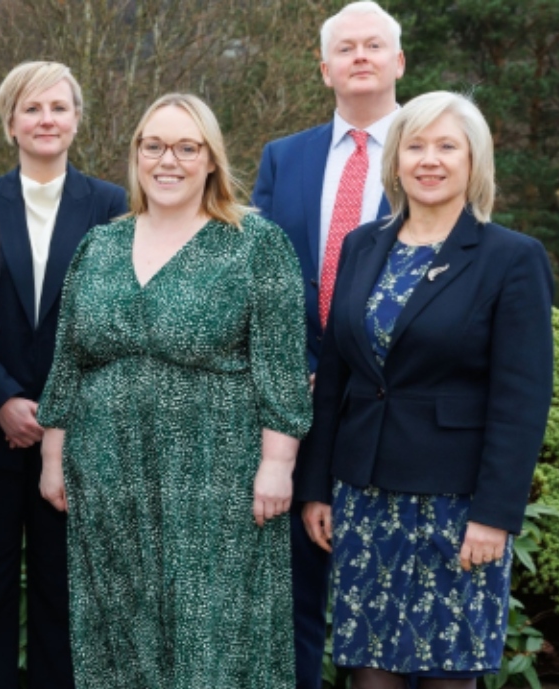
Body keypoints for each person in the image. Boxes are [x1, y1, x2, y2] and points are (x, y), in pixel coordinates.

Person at [36, 93, 310, 688]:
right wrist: (53, 456)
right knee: (119, 630)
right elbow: (70, 358)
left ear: (211, 159)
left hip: (216, 479)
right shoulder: (99, 245)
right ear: (135, 155)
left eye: (188, 147)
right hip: (107, 477)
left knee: (210, 634)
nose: (169, 160)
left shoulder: (255, 244)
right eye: (154, 145)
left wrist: (277, 464)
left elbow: (281, 365)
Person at [294, 91, 554, 689]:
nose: (428, 159)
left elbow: (522, 399)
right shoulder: (362, 245)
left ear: (473, 161)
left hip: (457, 511)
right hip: (364, 501)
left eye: (446, 146)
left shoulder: (512, 258)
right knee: (369, 676)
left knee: (447, 674)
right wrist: (317, 488)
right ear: (397, 159)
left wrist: (495, 515)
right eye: (415, 145)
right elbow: (335, 374)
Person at [0, 60, 125, 689]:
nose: (46, 119)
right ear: (9, 123)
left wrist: (57, 409)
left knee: (67, 598)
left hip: (79, 440)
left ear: (78, 119)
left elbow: (116, 322)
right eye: (31, 108)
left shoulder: (114, 206)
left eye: (58, 107)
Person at [250, 4, 406, 684]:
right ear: (325, 68)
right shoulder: (284, 158)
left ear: (400, 62)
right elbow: (253, 275)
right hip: (294, 406)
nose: (361, 56)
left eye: (376, 45)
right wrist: (295, 369)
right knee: (292, 601)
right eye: (346, 48)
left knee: (389, 608)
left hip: (393, 409)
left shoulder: (435, 151)